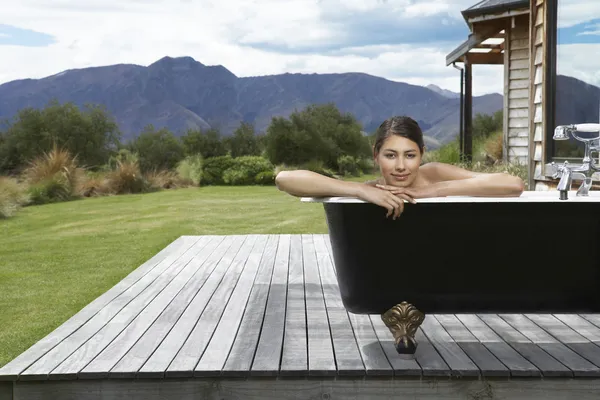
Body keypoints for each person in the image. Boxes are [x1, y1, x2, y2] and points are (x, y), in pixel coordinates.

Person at [275, 115, 525, 219]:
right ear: (376, 155)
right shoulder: (373, 190)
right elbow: (284, 179)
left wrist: (431, 191)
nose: (401, 166)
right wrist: (359, 190)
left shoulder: (434, 173)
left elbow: (512, 184)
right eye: (391, 155)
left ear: (422, 154)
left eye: (410, 155)